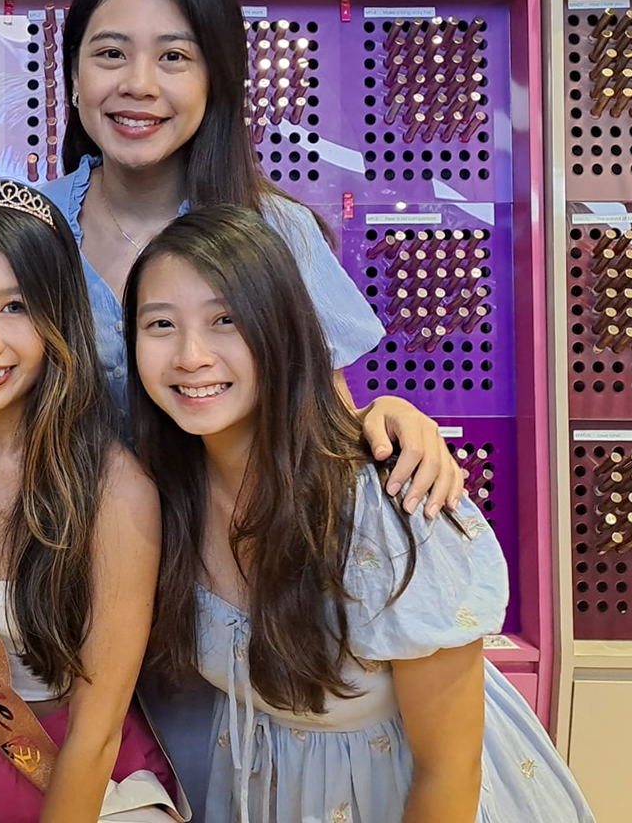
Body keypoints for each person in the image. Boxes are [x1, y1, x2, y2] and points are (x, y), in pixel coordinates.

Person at [126, 206, 595, 823]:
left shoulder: (388, 505)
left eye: (225, 320)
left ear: (282, 332)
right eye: (161, 323)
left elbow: (448, 769)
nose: (190, 355)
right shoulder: (159, 495)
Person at [39, 0, 461, 515]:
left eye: (174, 57)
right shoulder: (24, 225)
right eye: (110, 53)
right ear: (74, 74)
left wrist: (387, 418)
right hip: (55, 570)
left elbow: (321, 424)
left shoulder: (277, 231)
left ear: (218, 79)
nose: (138, 83)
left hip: (230, 572)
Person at [0, 177, 184, 822]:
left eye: (15, 306)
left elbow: (97, 728)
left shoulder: (114, 490)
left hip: (91, 774)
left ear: (59, 317)